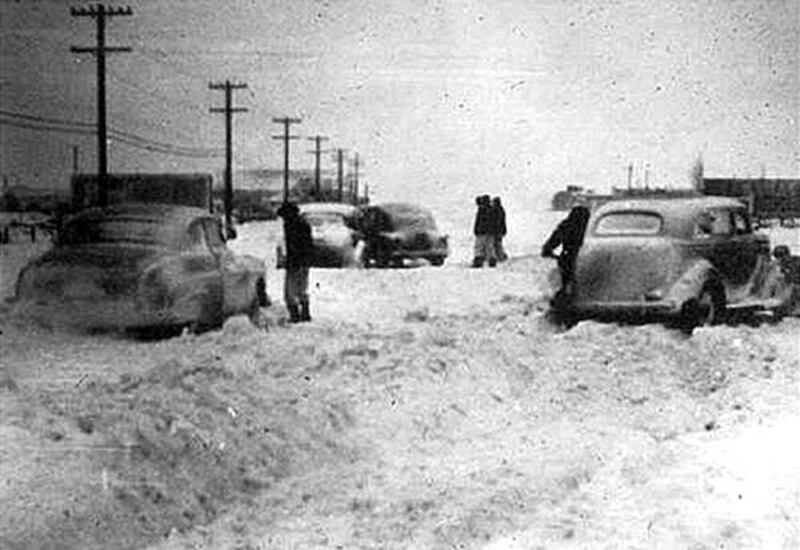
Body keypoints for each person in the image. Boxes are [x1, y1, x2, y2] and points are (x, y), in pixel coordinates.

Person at [541, 205, 591, 297]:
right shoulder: (588, 227)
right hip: (585, 258)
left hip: (568, 257)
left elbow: (550, 245)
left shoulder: (566, 225)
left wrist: (551, 253)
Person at [278, 202, 314, 323]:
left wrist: (289, 260)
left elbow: (292, 246)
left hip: (295, 262)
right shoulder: (304, 224)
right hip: (304, 261)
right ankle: (305, 312)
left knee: (290, 291)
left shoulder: (291, 225)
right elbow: (309, 244)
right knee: (302, 288)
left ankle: (294, 314)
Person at [472, 195, 497, 267]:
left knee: (479, 246)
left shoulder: (482, 210)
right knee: (490, 246)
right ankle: (492, 259)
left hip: (482, 231)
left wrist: (476, 230)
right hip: (490, 232)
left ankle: (479, 260)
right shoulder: (492, 210)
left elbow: (479, 222)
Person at [491, 196, 507, 262]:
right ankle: (500, 256)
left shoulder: (497, 210)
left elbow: (497, 222)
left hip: (497, 230)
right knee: (498, 243)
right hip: (500, 230)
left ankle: (500, 256)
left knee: (497, 244)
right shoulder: (501, 210)